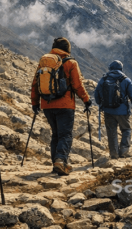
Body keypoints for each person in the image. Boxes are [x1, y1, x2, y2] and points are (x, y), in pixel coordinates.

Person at [31, 37, 92, 175]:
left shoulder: (44, 62)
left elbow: (35, 83)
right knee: (65, 135)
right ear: (67, 49)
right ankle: (60, 161)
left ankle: (57, 164)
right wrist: (86, 100)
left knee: (56, 135)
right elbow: (77, 85)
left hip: (47, 105)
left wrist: (35, 103)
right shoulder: (71, 63)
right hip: (65, 105)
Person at [94, 60, 132, 159]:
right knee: (126, 129)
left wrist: (101, 104)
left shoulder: (104, 78)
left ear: (110, 68)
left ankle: (114, 153)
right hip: (122, 111)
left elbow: (96, 93)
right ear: (121, 69)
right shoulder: (126, 80)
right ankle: (123, 151)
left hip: (108, 111)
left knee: (111, 132)